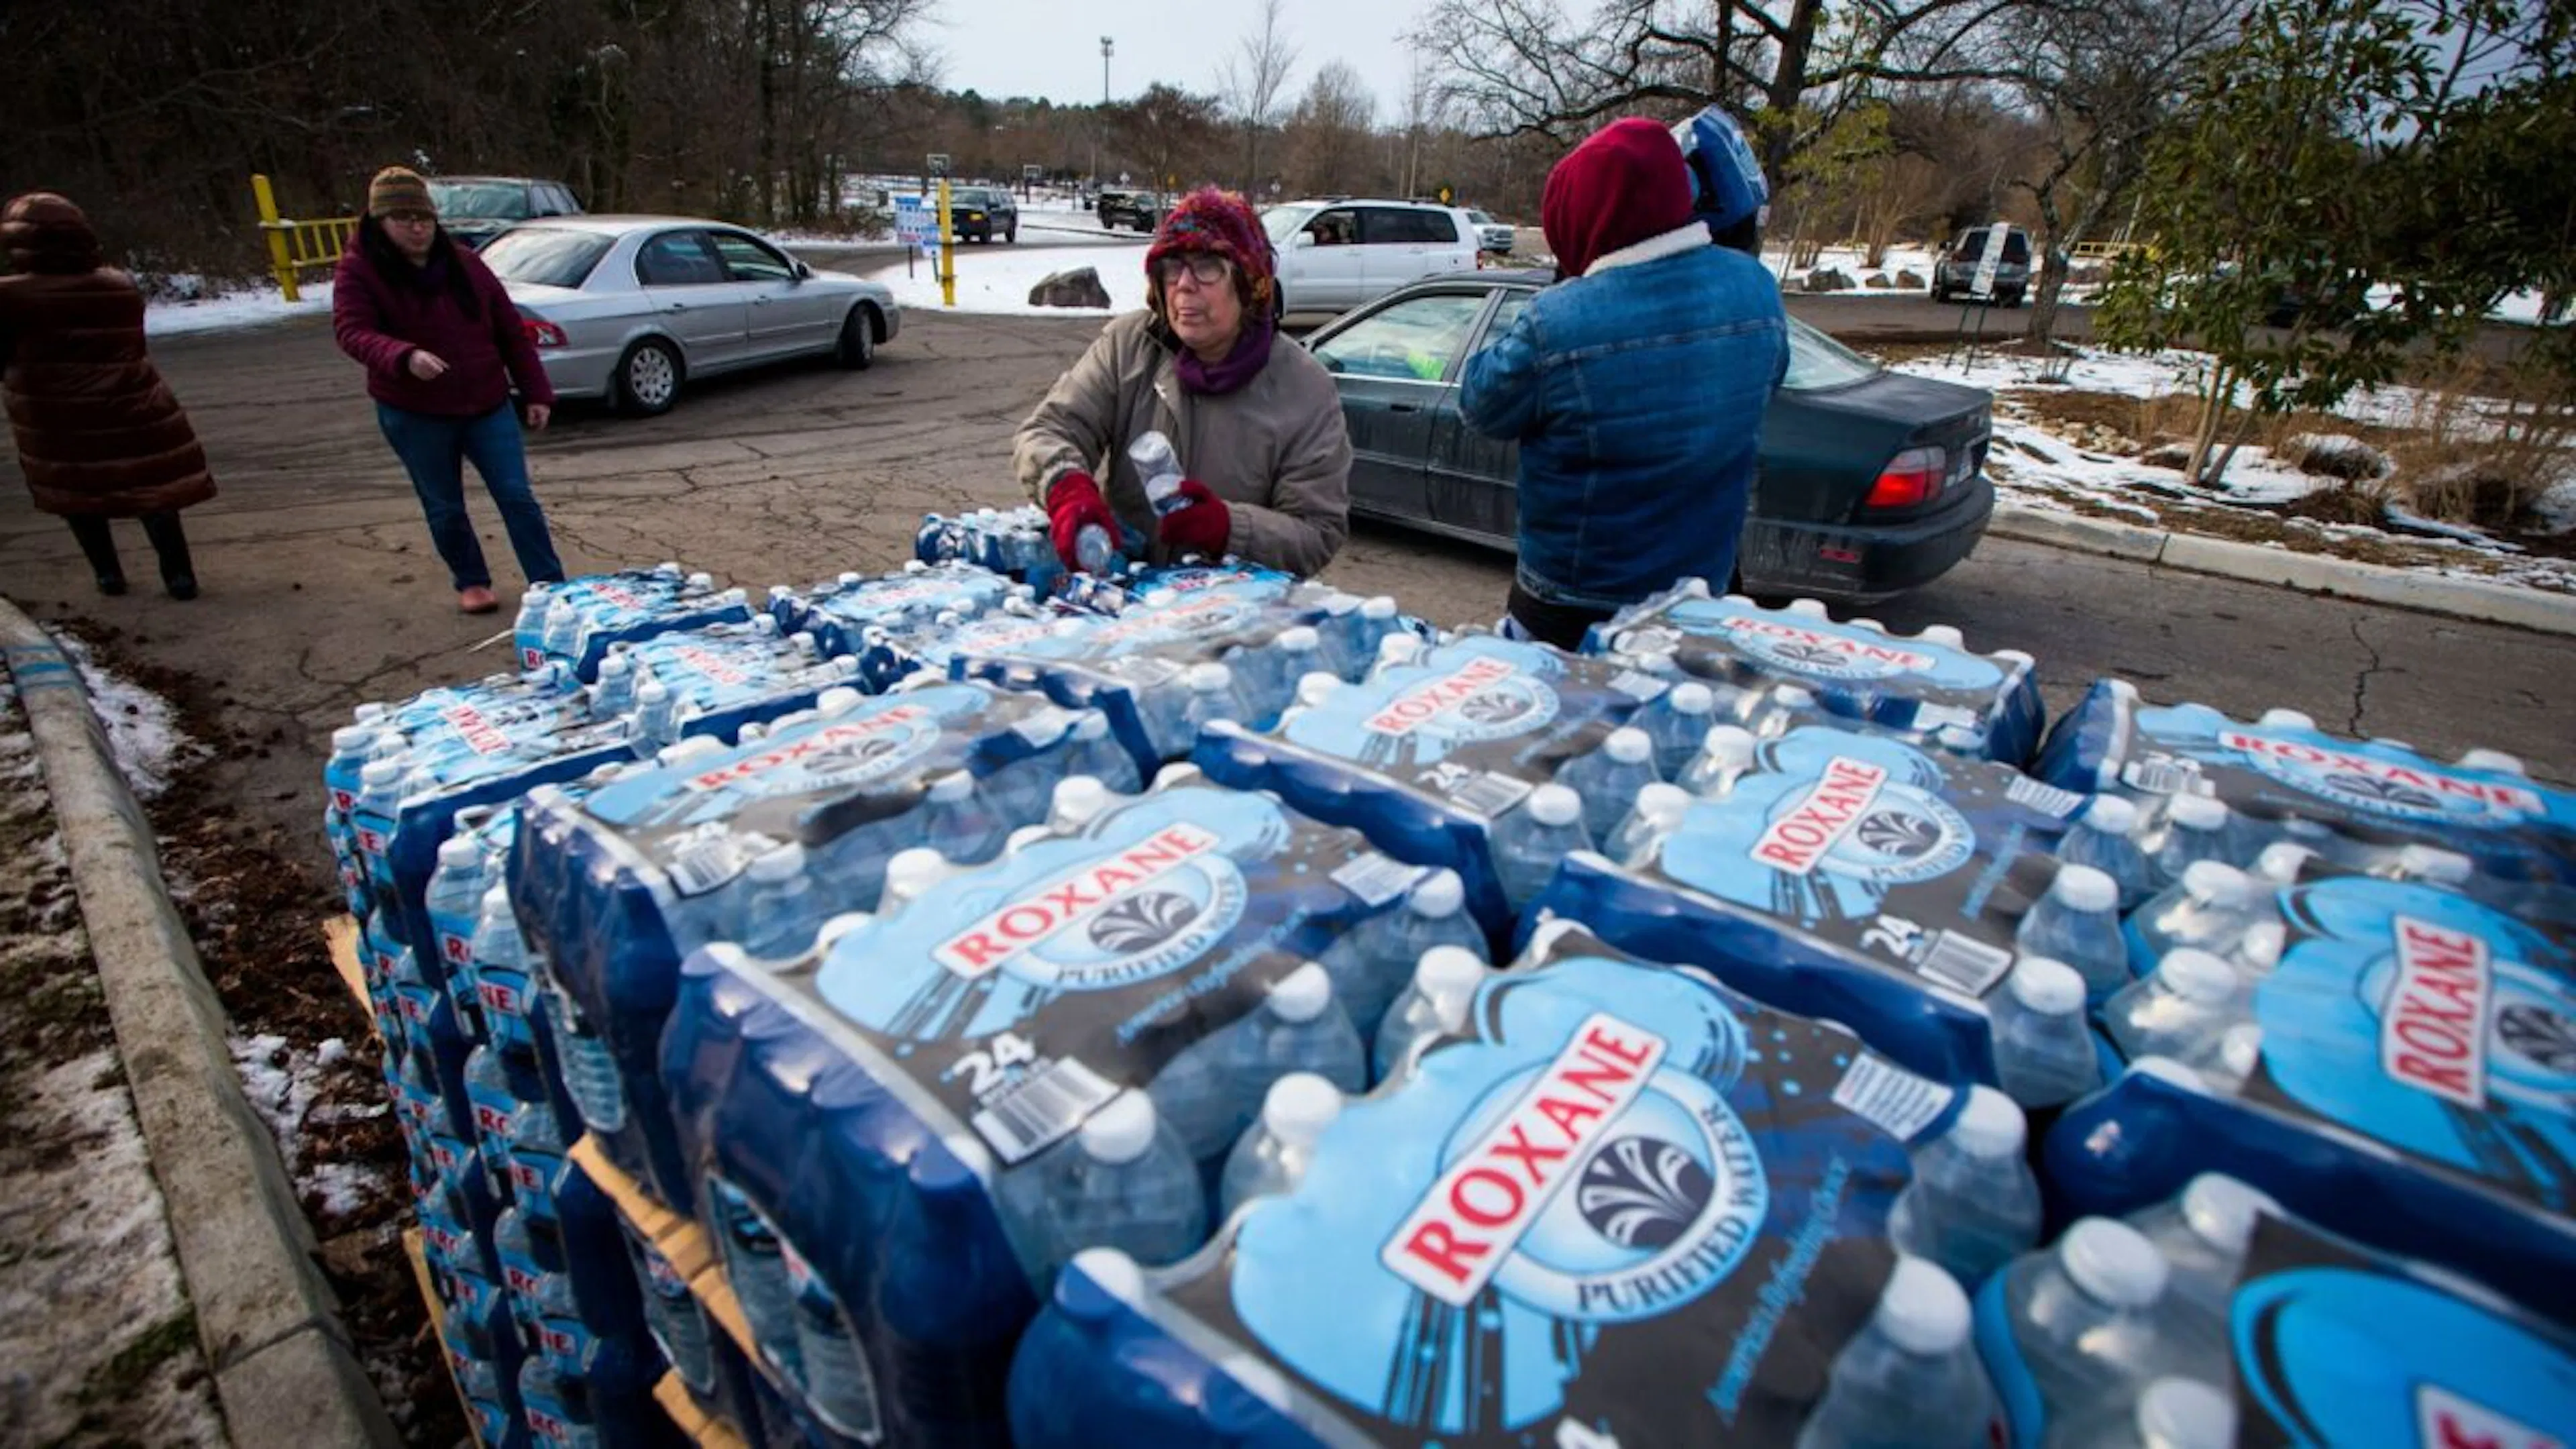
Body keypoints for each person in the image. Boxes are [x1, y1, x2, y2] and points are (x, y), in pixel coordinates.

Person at [1460, 114, 1787, 649]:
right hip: (1702, 596)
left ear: (1583, 221)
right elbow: (1765, 386)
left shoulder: (1559, 321)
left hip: (1573, 606)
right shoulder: (1755, 289)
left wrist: (1560, 293)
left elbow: (1480, 405)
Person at [1015, 186, 1351, 578]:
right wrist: (1067, 487)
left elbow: (1317, 533)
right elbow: (1048, 430)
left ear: (1248, 283)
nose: (1184, 285)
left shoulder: (1305, 389)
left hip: (1234, 620)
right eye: (1173, 266)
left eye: (1207, 265)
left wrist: (1229, 528)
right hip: (1125, 605)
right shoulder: (1131, 346)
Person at [333, 165, 564, 614]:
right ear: (380, 222)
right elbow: (352, 331)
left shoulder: (466, 263)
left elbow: (509, 331)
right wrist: (403, 356)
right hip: (414, 410)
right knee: (444, 504)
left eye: (424, 218)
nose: (417, 228)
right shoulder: (359, 271)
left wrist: (536, 391)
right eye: (404, 220)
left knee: (517, 495)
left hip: (486, 402)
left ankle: (550, 582)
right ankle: (472, 581)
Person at [0, 192, 213, 599]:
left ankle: (108, 574)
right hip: (131, 401)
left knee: (78, 494)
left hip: (55, 414)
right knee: (153, 490)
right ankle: (179, 575)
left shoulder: (11, 297)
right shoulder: (119, 285)